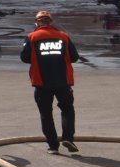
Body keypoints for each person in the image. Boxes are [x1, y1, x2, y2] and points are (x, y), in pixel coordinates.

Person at [20, 10, 80, 154]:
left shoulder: (32, 37)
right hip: (63, 81)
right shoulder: (63, 37)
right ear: (50, 22)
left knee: (46, 113)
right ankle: (68, 138)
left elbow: (24, 58)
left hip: (42, 82)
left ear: (37, 22)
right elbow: (74, 57)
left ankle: (53, 145)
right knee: (67, 109)